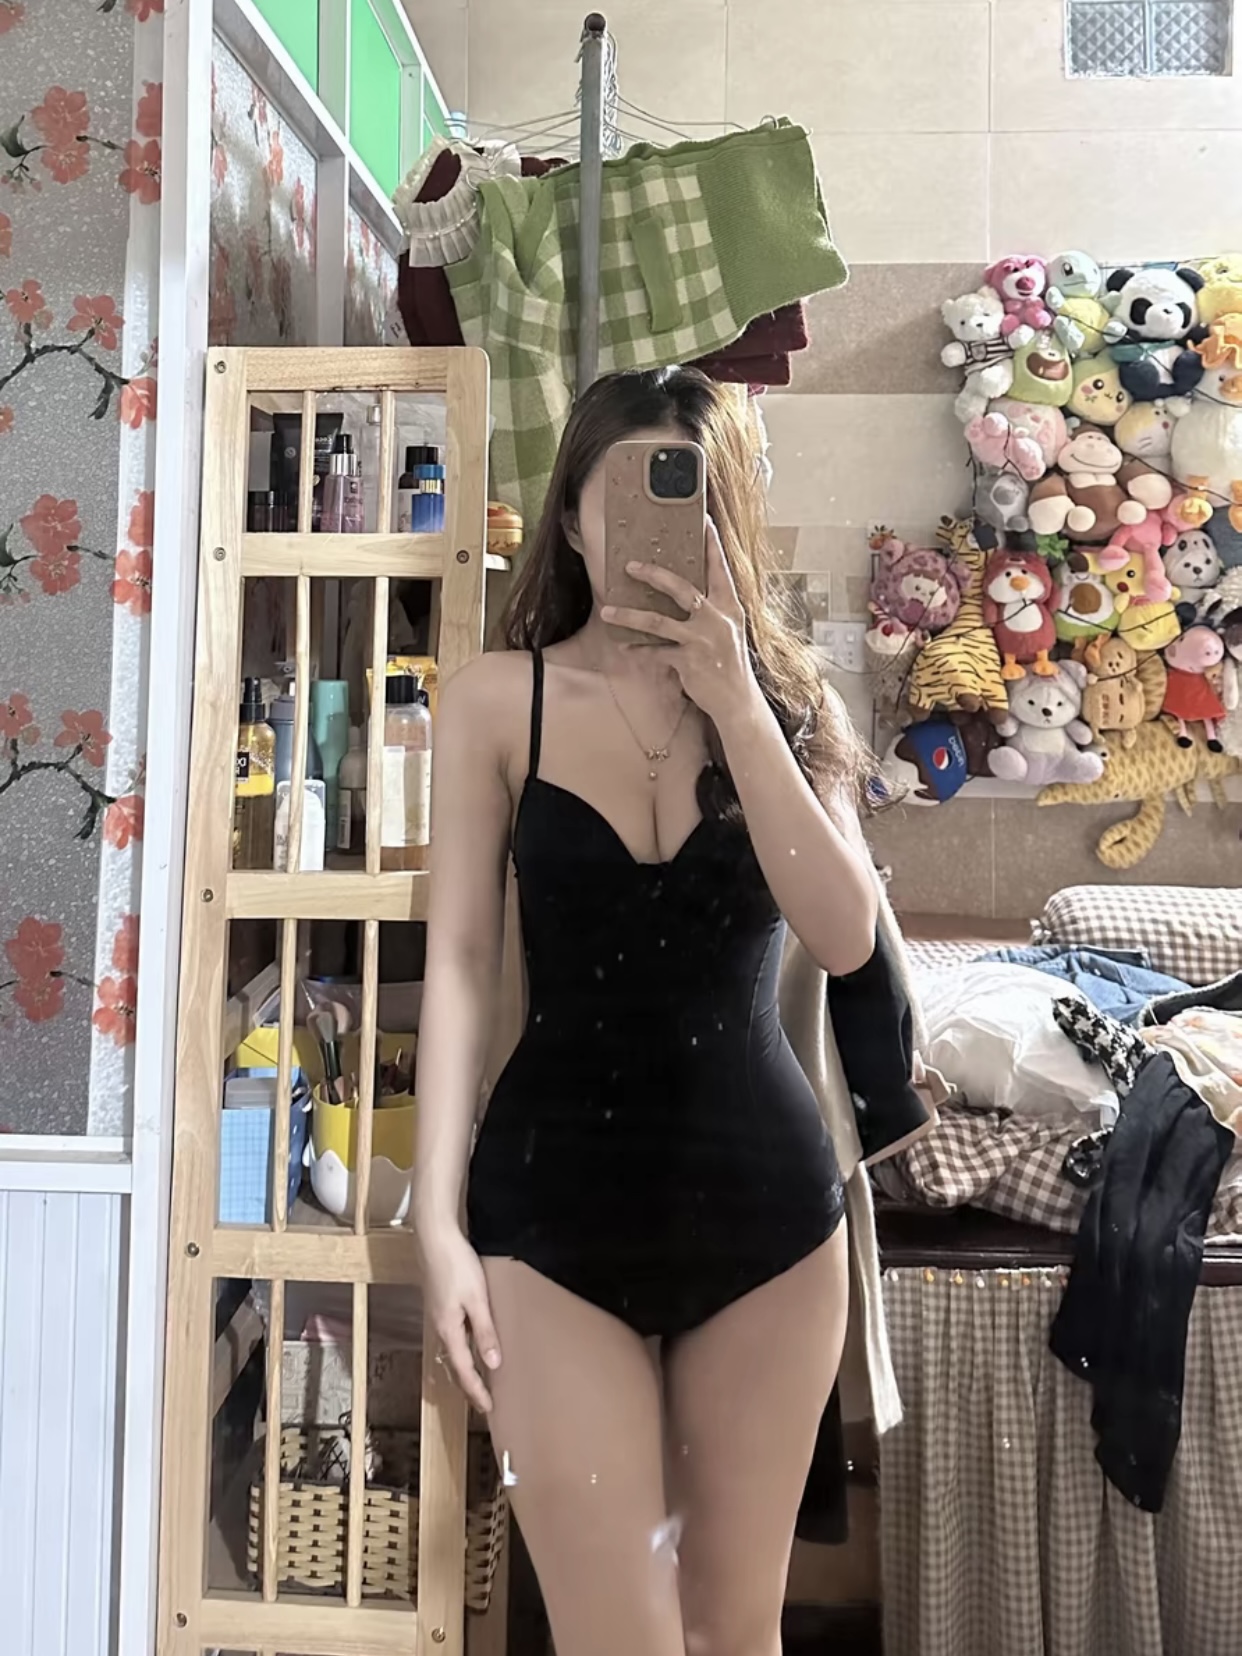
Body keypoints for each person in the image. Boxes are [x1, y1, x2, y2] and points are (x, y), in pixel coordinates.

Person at [414, 367, 881, 1656]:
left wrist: (738, 706)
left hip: (768, 1221)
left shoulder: (795, 708)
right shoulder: (493, 701)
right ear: (570, 516)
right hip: (547, 1214)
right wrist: (435, 1220)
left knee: (735, 1634)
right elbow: (459, 961)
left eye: (687, 494)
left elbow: (846, 937)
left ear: (728, 522)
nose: (647, 525)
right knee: (616, 1640)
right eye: (620, 490)